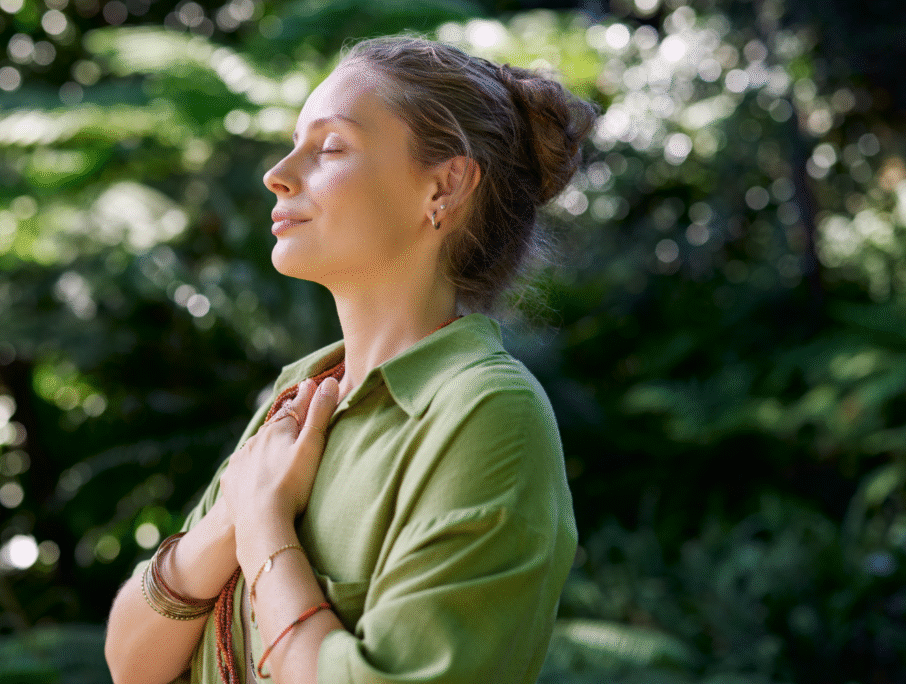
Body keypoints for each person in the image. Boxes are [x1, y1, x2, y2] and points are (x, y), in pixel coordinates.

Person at [105, 34, 596, 684]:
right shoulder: (299, 397)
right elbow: (131, 662)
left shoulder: (486, 412)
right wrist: (233, 516)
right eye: (294, 142)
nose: (276, 172)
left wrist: (265, 534)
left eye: (330, 146)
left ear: (444, 188)